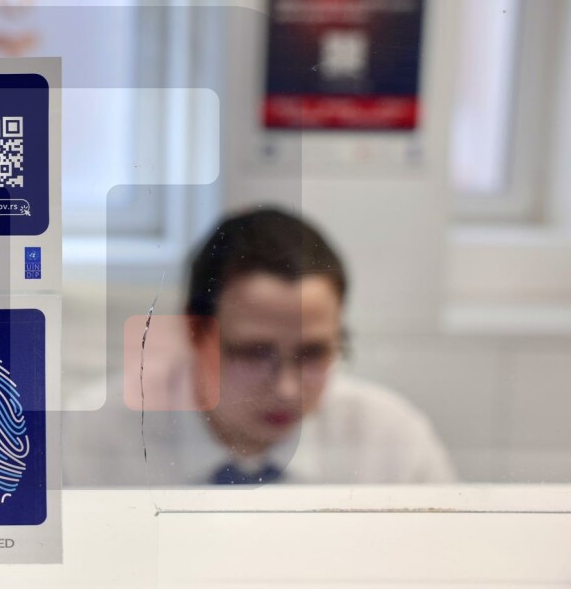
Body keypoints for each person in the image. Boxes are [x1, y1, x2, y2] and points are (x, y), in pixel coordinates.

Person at [62, 207, 456, 486]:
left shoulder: (391, 444)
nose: (286, 389)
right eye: (254, 353)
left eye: (313, 353)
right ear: (195, 332)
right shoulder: (87, 438)